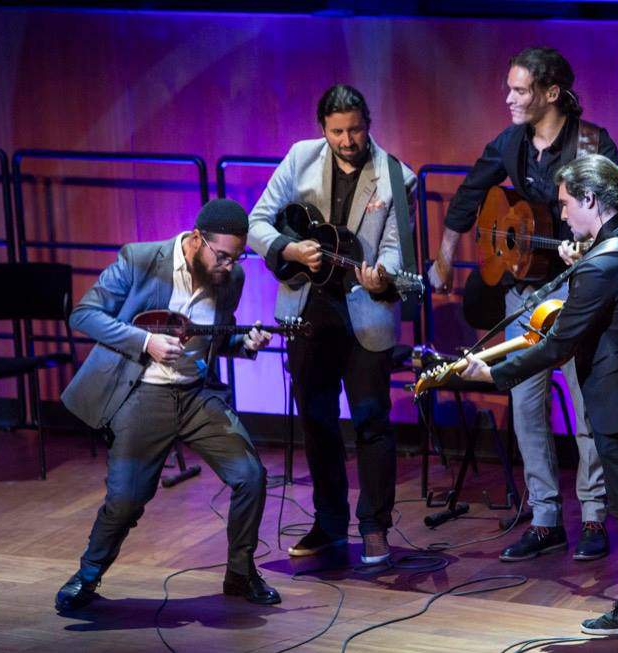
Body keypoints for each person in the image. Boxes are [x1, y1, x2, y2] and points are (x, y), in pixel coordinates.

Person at [462, 155, 618, 653]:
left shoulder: (602, 266)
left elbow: (558, 345)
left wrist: (494, 373)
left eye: (565, 204)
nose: (561, 215)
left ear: (591, 200)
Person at [428, 46, 618, 562]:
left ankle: (595, 515)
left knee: (585, 403)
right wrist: (445, 256)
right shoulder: (511, 142)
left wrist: (590, 248)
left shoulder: (592, 143)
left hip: (579, 289)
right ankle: (544, 519)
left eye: (520, 90)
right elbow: (470, 193)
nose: (510, 99)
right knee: (525, 404)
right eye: (509, 89)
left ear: (550, 92)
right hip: (526, 292)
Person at [55, 199, 278, 612]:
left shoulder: (231, 277)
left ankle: (240, 572)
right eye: (222, 256)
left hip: (196, 395)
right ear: (196, 239)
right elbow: (83, 315)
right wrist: (146, 342)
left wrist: (244, 344)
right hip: (144, 393)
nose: (229, 266)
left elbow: (216, 338)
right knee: (127, 498)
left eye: (236, 257)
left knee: (250, 476)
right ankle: (87, 575)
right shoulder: (140, 259)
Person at [248, 84, 416, 566]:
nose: (347, 141)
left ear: (368, 125)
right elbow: (258, 222)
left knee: (371, 421)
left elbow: (396, 249)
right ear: (322, 128)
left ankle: (375, 527)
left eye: (355, 130)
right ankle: (329, 523)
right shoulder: (299, 158)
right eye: (337, 131)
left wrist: (382, 275)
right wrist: (289, 248)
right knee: (318, 422)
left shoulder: (396, 175)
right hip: (308, 310)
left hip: (365, 314)